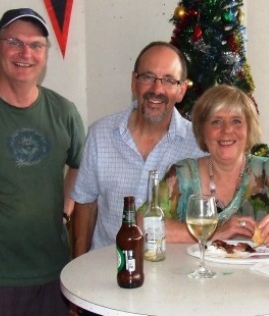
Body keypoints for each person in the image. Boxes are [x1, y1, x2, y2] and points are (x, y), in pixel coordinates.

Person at [0, 8, 85, 316]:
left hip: (52, 275)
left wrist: (65, 209)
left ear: (45, 54)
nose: (25, 53)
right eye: (14, 42)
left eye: (36, 45)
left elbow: (79, 165)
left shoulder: (64, 112)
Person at [71, 41, 205, 258]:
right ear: (134, 82)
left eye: (169, 80)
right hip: (107, 269)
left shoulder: (198, 145)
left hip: (174, 274)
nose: (157, 89)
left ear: (181, 91)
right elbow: (85, 204)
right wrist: (78, 264)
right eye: (148, 77)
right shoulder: (100, 134)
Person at [138, 84, 269, 245]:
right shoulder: (182, 174)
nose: (226, 130)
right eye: (216, 121)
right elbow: (142, 223)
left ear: (249, 130)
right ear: (203, 131)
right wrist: (213, 234)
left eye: (236, 121)